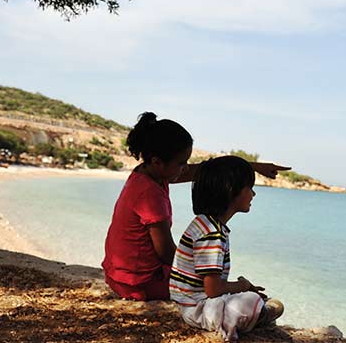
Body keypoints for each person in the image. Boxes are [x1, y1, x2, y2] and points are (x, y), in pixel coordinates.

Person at [102, 113, 288, 301]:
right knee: (213, 287)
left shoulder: (151, 175)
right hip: (139, 283)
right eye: (181, 163)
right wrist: (218, 280)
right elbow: (166, 252)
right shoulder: (150, 195)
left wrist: (253, 166)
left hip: (119, 273)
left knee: (210, 276)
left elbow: (203, 170)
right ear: (157, 162)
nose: (185, 168)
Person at [169, 155, 284, 342]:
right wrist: (243, 286)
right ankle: (258, 314)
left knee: (244, 298)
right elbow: (213, 290)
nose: (253, 195)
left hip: (191, 304)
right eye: (250, 188)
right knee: (248, 302)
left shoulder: (205, 224)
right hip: (197, 309)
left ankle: (255, 310)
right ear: (231, 191)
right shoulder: (212, 233)